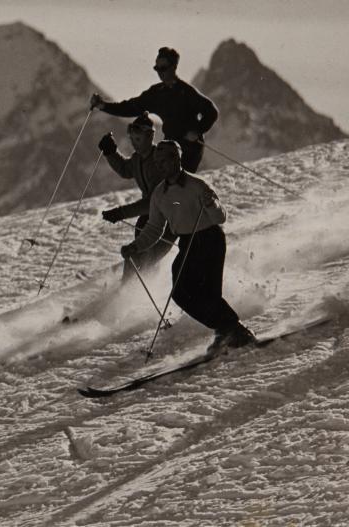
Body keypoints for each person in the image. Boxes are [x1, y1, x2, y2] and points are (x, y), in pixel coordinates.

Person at [120, 140, 255, 351]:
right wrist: (135, 247)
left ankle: (234, 330)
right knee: (181, 293)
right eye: (159, 162)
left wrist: (212, 205)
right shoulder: (159, 194)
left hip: (210, 239)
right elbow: (154, 229)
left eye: (166, 160)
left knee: (208, 293)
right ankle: (226, 328)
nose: (162, 165)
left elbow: (220, 217)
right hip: (187, 243)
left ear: (177, 159)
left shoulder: (197, 185)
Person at [90, 47, 218, 173]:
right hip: (169, 145)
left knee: (178, 183)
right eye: (157, 68)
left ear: (173, 67)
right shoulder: (156, 93)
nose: (159, 72)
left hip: (190, 147)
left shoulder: (186, 92)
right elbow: (130, 107)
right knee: (166, 182)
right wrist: (103, 106)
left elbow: (211, 111)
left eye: (163, 68)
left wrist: (197, 130)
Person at [98, 112, 177, 280]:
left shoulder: (159, 162)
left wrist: (121, 213)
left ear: (150, 136)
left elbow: (153, 202)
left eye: (138, 139)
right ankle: (124, 291)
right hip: (147, 220)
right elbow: (126, 170)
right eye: (132, 139)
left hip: (167, 223)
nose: (135, 144)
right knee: (134, 257)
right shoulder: (138, 158)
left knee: (143, 259)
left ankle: (135, 293)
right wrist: (111, 152)